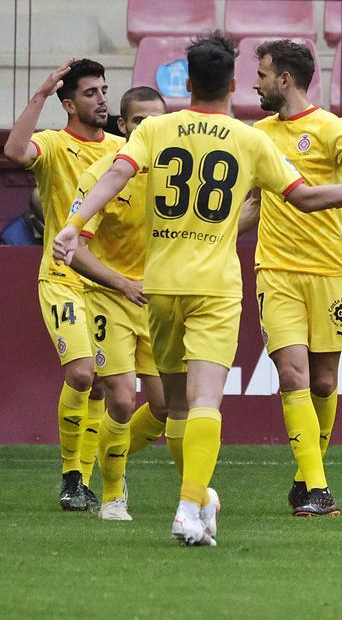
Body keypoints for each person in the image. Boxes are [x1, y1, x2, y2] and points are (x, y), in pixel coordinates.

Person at [52, 31, 342, 546]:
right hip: (216, 285)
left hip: (160, 286)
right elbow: (309, 198)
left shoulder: (156, 129)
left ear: (187, 81)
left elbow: (117, 172)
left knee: (178, 405)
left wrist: (76, 222)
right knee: (207, 400)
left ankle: (204, 499)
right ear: (232, 83)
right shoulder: (251, 139)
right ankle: (189, 505)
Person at [248, 39, 342, 517]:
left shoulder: (332, 128)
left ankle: (305, 475)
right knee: (293, 374)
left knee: (325, 383)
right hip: (277, 270)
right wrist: (215, 236)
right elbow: (249, 204)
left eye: (263, 74)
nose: (256, 82)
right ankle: (317, 489)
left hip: (329, 269)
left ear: (285, 79)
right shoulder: (256, 134)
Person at [3, 58, 121, 511]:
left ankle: (83, 481)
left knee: (101, 388)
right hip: (62, 277)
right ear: (69, 103)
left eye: (105, 90)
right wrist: (40, 92)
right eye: (91, 93)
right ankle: (72, 475)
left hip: (106, 279)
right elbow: (15, 152)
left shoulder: (120, 149)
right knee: (81, 372)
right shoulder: (52, 145)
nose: (102, 99)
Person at [68, 86, 169, 520]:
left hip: (159, 301)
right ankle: (112, 494)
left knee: (164, 408)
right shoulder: (103, 175)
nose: (150, 129)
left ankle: (114, 452)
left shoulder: (176, 177)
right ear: (124, 126)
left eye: (157, 121)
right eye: (140, 122)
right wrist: (123, 283)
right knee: (124, 401)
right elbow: (74, 250)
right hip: (111, 297)